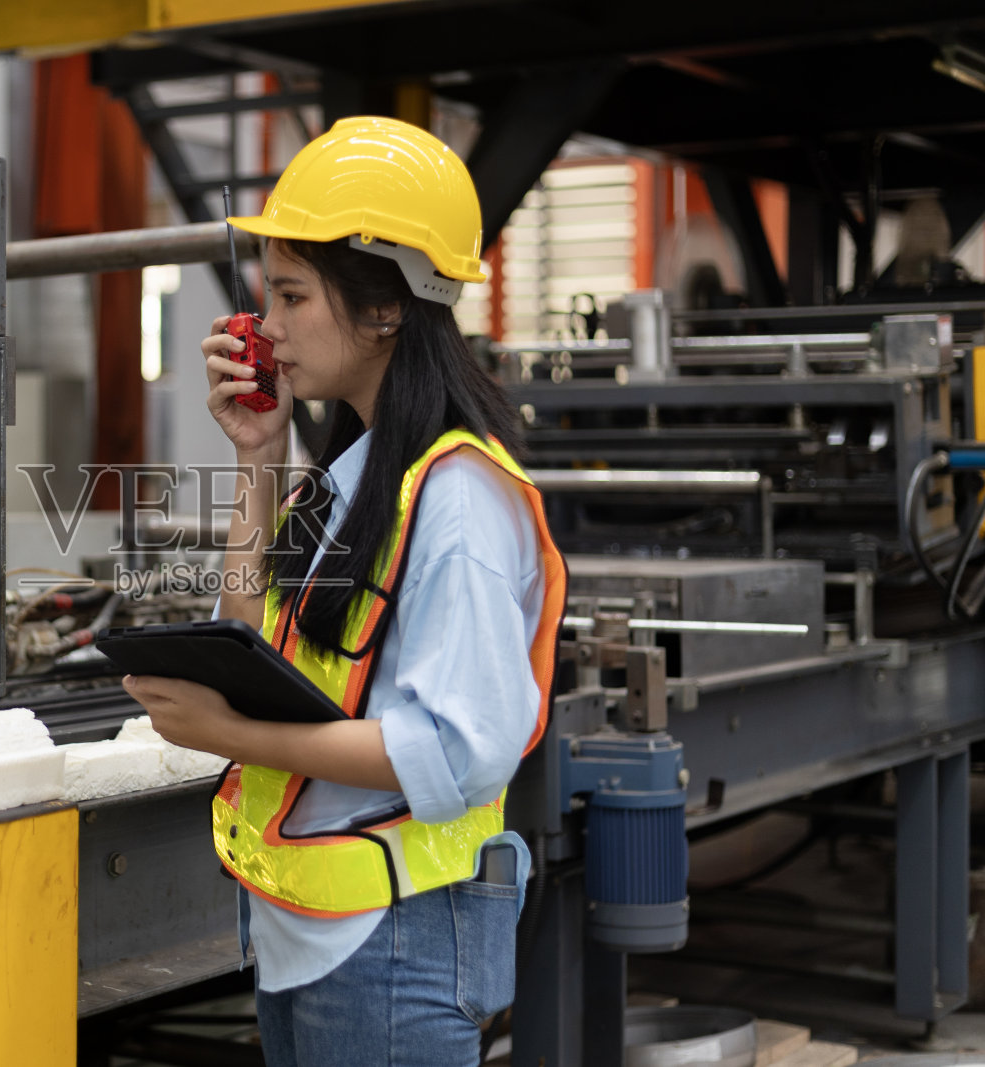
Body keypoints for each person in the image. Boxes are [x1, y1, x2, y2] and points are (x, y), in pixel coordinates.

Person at [120, 116, 568, 1067]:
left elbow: (456, 749)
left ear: (387, 308)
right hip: (316, 935)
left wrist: (228, 735)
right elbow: (250, 636)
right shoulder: (360, 474)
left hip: (398, 942)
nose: (267, 327)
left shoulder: (458, 500)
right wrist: (259, 457)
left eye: (289, 295)